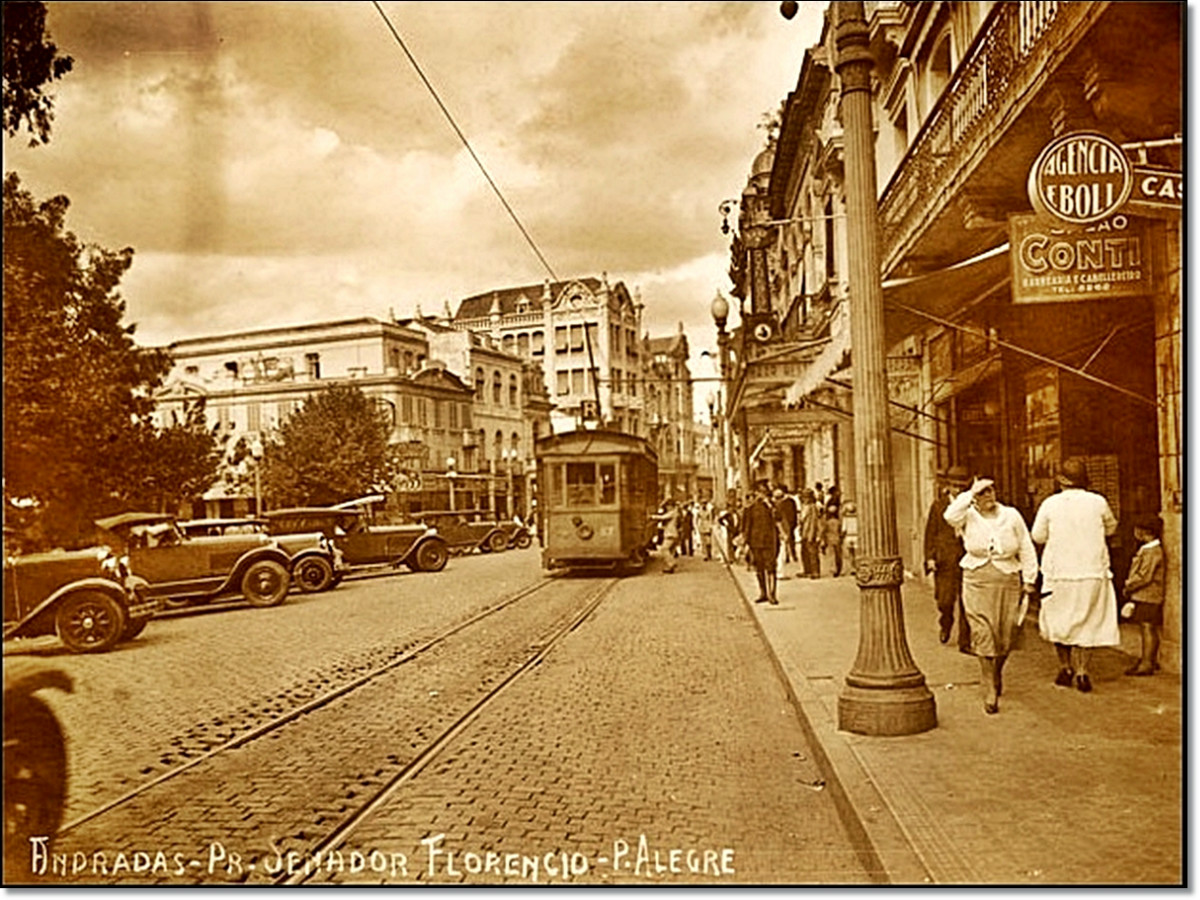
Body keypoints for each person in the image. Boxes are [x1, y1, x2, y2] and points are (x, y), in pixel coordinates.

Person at [944, 476, 1039, 714]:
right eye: (983, 493)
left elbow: (1026, 545)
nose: (989, 497)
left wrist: (1029, 579)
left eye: (991, 491)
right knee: (983, 632)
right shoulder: (967, 514)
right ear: (975, 497)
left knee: (1005, 635)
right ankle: (989, 685)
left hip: (1007, 579)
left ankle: (996, 672)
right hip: (976, 579)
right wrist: (970, 493)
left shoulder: (1011, 515)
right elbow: (950, 516)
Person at [1030, 458, 1120, 693]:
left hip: (1059, 573)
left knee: (1059, 620)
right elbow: (1112, 527)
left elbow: (1037, 536)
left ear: (1060, 481)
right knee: (1087, 621)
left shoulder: (1050, 504)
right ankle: (1082, 671)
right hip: (1091, 571)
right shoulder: (1098, 502)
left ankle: (1065, 666)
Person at [924, 465, 971, 652]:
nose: (958, 490)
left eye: (961, 486)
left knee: (967, 601)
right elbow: (930, 533)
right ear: (948, 486)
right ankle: (946, 622)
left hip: (967, 557)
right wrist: (929, 557)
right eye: (954, 486)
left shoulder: (971, 505)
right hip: (944, 560)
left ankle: (965, 642)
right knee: (945, 600)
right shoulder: (938, 506)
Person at [1120, 514, 1165, 676]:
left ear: (1144, 531)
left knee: (1147, 627)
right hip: (1146, 595)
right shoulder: (1148, 549)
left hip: (1148, 595)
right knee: (1147, 627)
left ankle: (1147, 662)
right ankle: (1149, 659)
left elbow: (1145, 576)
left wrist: (1129, 587)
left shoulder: (1152, 552)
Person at [741, 481, 779, 604]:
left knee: (771, 568)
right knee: (759, 568)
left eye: (764, 492)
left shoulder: (771, 506)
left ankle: (772, 594)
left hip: (770, 542)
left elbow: (778, 518)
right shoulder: (750, 509)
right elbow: (746, 526)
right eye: (760, 492)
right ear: (756, 493)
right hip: (755, 543)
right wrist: (744, 543)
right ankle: (763, 593)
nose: (761, 495)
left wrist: (770, 505)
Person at [649, 500, 681, 574]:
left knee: (664, 549)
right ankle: (669, 568)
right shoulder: (676, 512)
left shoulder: (673, 512)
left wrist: (652, 516)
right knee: (671, 551)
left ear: (671, 506)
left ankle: (671, 563)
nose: (667, 508)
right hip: (673, 533)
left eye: (667, 506)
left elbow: (663, 517)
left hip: (670, 534)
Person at [797, 488, 822, 578]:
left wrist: (816, 535)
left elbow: (815, 522)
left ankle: (815, 571)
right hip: (804, 532)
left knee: (812, 553)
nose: (805, 499)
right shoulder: (804, 506)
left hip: (811, 533)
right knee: (804, 552)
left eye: (806, 497)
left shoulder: (813, 507)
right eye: (804, 497)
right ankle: (807, 570)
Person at [772, 485, 798, 565]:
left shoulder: (788, 502)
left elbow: (792, 513)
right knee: (788, 540)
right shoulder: (789, 501)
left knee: (789, 540)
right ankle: (789, 555)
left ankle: (791, 554)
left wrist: (792, 523)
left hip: (787, 523)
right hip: (786, 523)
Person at [823, 485, 843, 576]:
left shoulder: (831, 501)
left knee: (833, 550)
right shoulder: (835, 501)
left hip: (831, 523)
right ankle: (837, 568)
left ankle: (834, 568)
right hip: (834, 523)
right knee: (836, 549)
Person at [840, 501, 858, 574]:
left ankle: (852, 567)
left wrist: (841, 536)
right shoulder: (857, 518)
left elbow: (844, 529)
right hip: (856, 535)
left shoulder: (846, 518)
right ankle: (857, 567)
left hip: (848, 536)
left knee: (850, 554)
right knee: (856, 553)